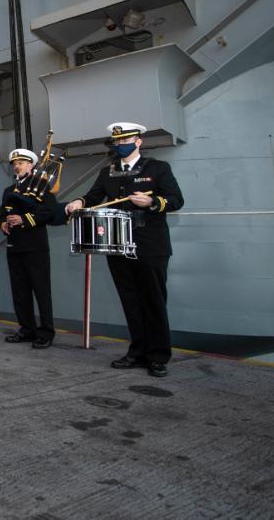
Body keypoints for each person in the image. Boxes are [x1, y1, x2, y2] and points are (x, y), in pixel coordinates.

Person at [65, 122, 184, 378]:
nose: (120, 145)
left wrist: (152, 201)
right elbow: (94, 196)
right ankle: (137, 352)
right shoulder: (108, 173)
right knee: (130, 300)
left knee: (153, 301)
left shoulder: (157, 169)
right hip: (117, 244)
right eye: (116, 142)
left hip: (150, 245)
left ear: (138, 141)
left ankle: (158, 356)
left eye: (124, 141)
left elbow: (176, 199)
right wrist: (78, 201)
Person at [0, 148, 59, 349]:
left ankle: (46, 332)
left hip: (35, 247)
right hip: (14, 246)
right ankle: (27, 329)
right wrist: (2, 224)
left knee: (41, 291)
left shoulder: (41, 186)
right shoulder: (9, 191)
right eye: (15, 163)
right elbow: (2, 214)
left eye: (21, 163)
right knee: (20, 291)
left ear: (31, 165)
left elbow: (50, 211)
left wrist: (25, 219)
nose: (17, 166)